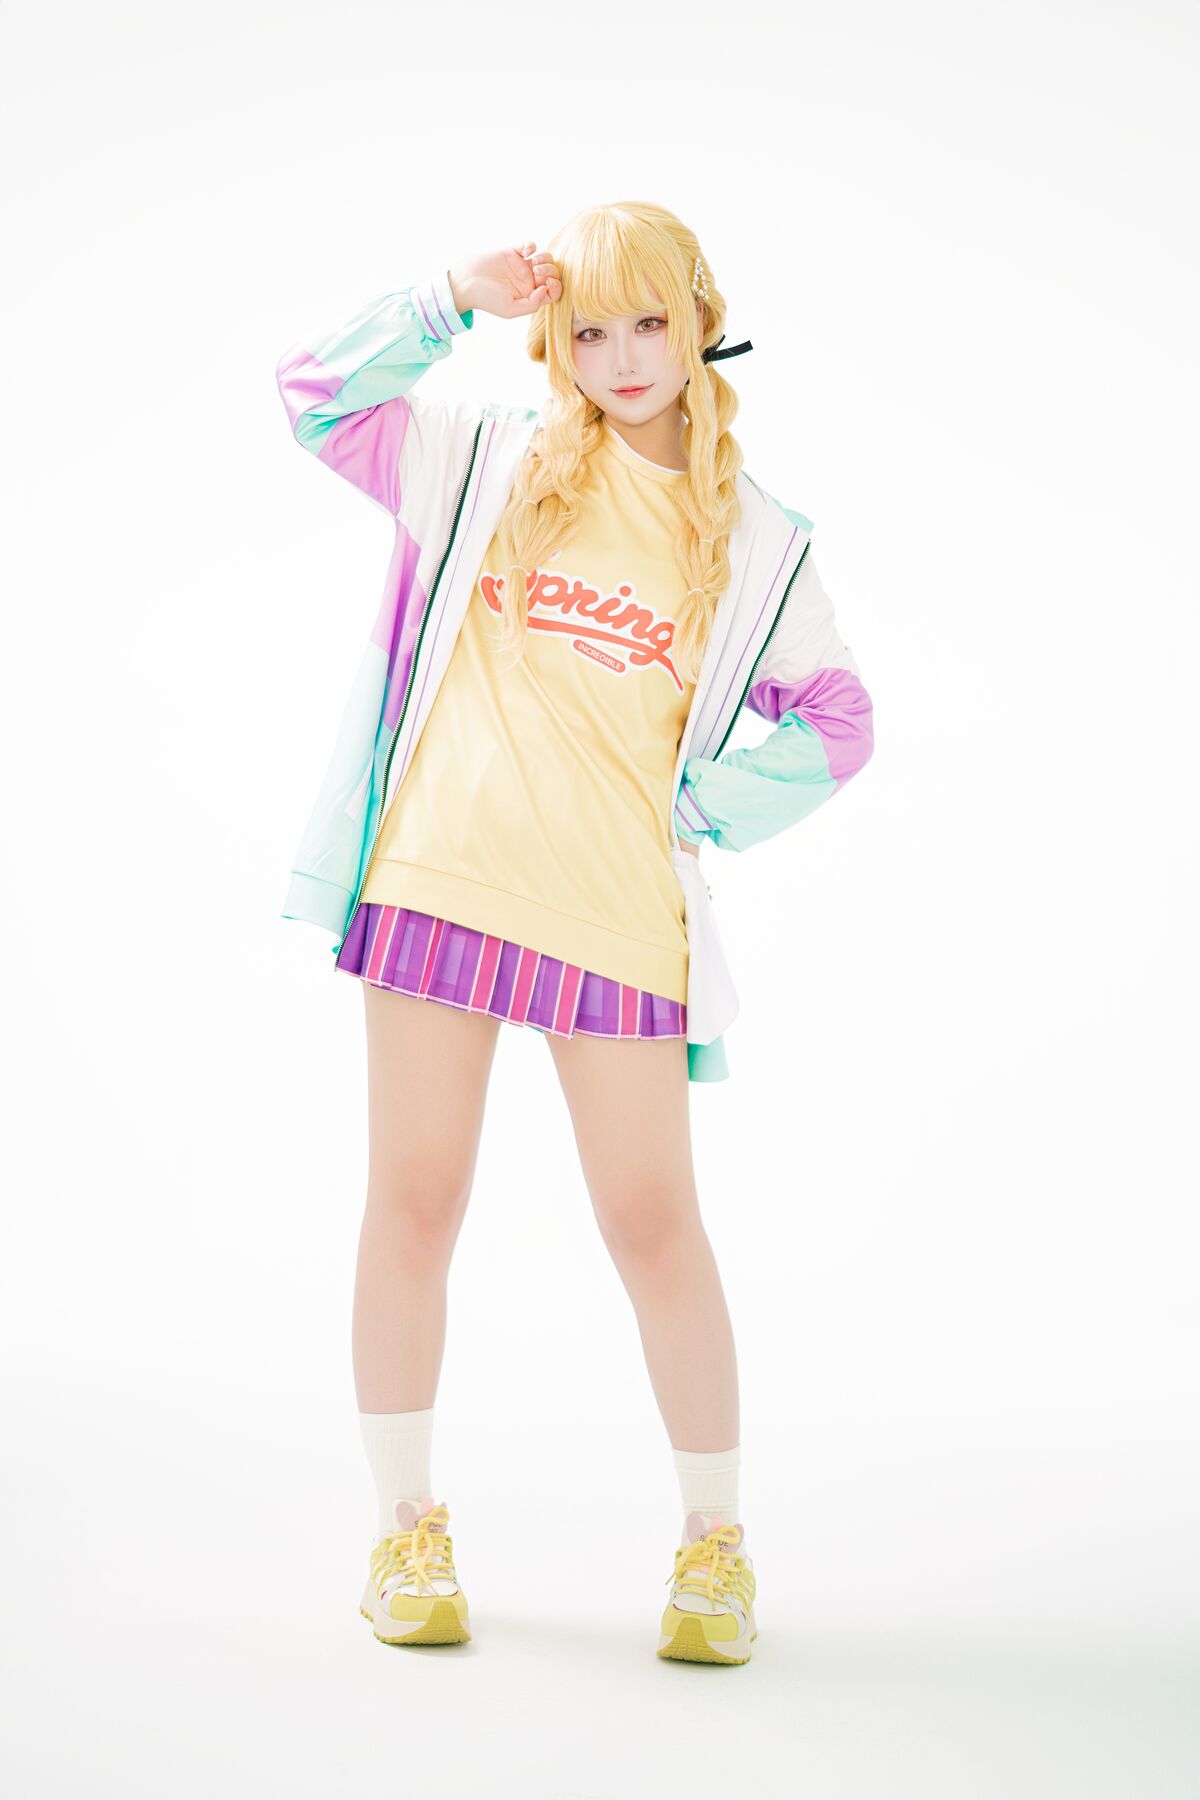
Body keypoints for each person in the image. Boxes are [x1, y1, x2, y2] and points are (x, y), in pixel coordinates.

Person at [275, 200, 875, 1665]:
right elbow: (315, 397)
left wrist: (695, 808)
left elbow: (841, 721)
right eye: (588, 329)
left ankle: (715, 1548)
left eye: (649, 321)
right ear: (554, 344)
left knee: (654, 1225)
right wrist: (448, 295)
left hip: (615, 917)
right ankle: (404, 1528)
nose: (622, 356)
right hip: (437, 881)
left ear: (701, 319)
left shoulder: (755, 540)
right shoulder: (481, 459)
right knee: (414, 1200)